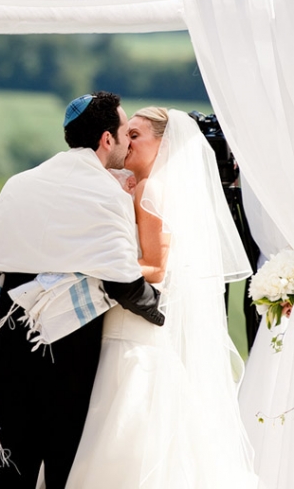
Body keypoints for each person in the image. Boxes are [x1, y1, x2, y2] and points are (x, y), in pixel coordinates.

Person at [0, 92, 164, 489]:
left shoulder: (21, 182)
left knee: (11, 462)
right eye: (123, 134)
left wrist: (35, 276)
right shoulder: (106, 193)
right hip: (69, 348)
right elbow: (121, 280)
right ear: (106, 140)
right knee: (63, 461)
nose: (128, 142)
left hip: (11, 338)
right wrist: (159, 309)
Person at [66, 108, 257, 488]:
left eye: (135, 135)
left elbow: (155, 268)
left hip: (134, 327)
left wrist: (91, 268)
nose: (127, 141)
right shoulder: (141, 186)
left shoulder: (155, 190)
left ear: (163, 143)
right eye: (126, 133)